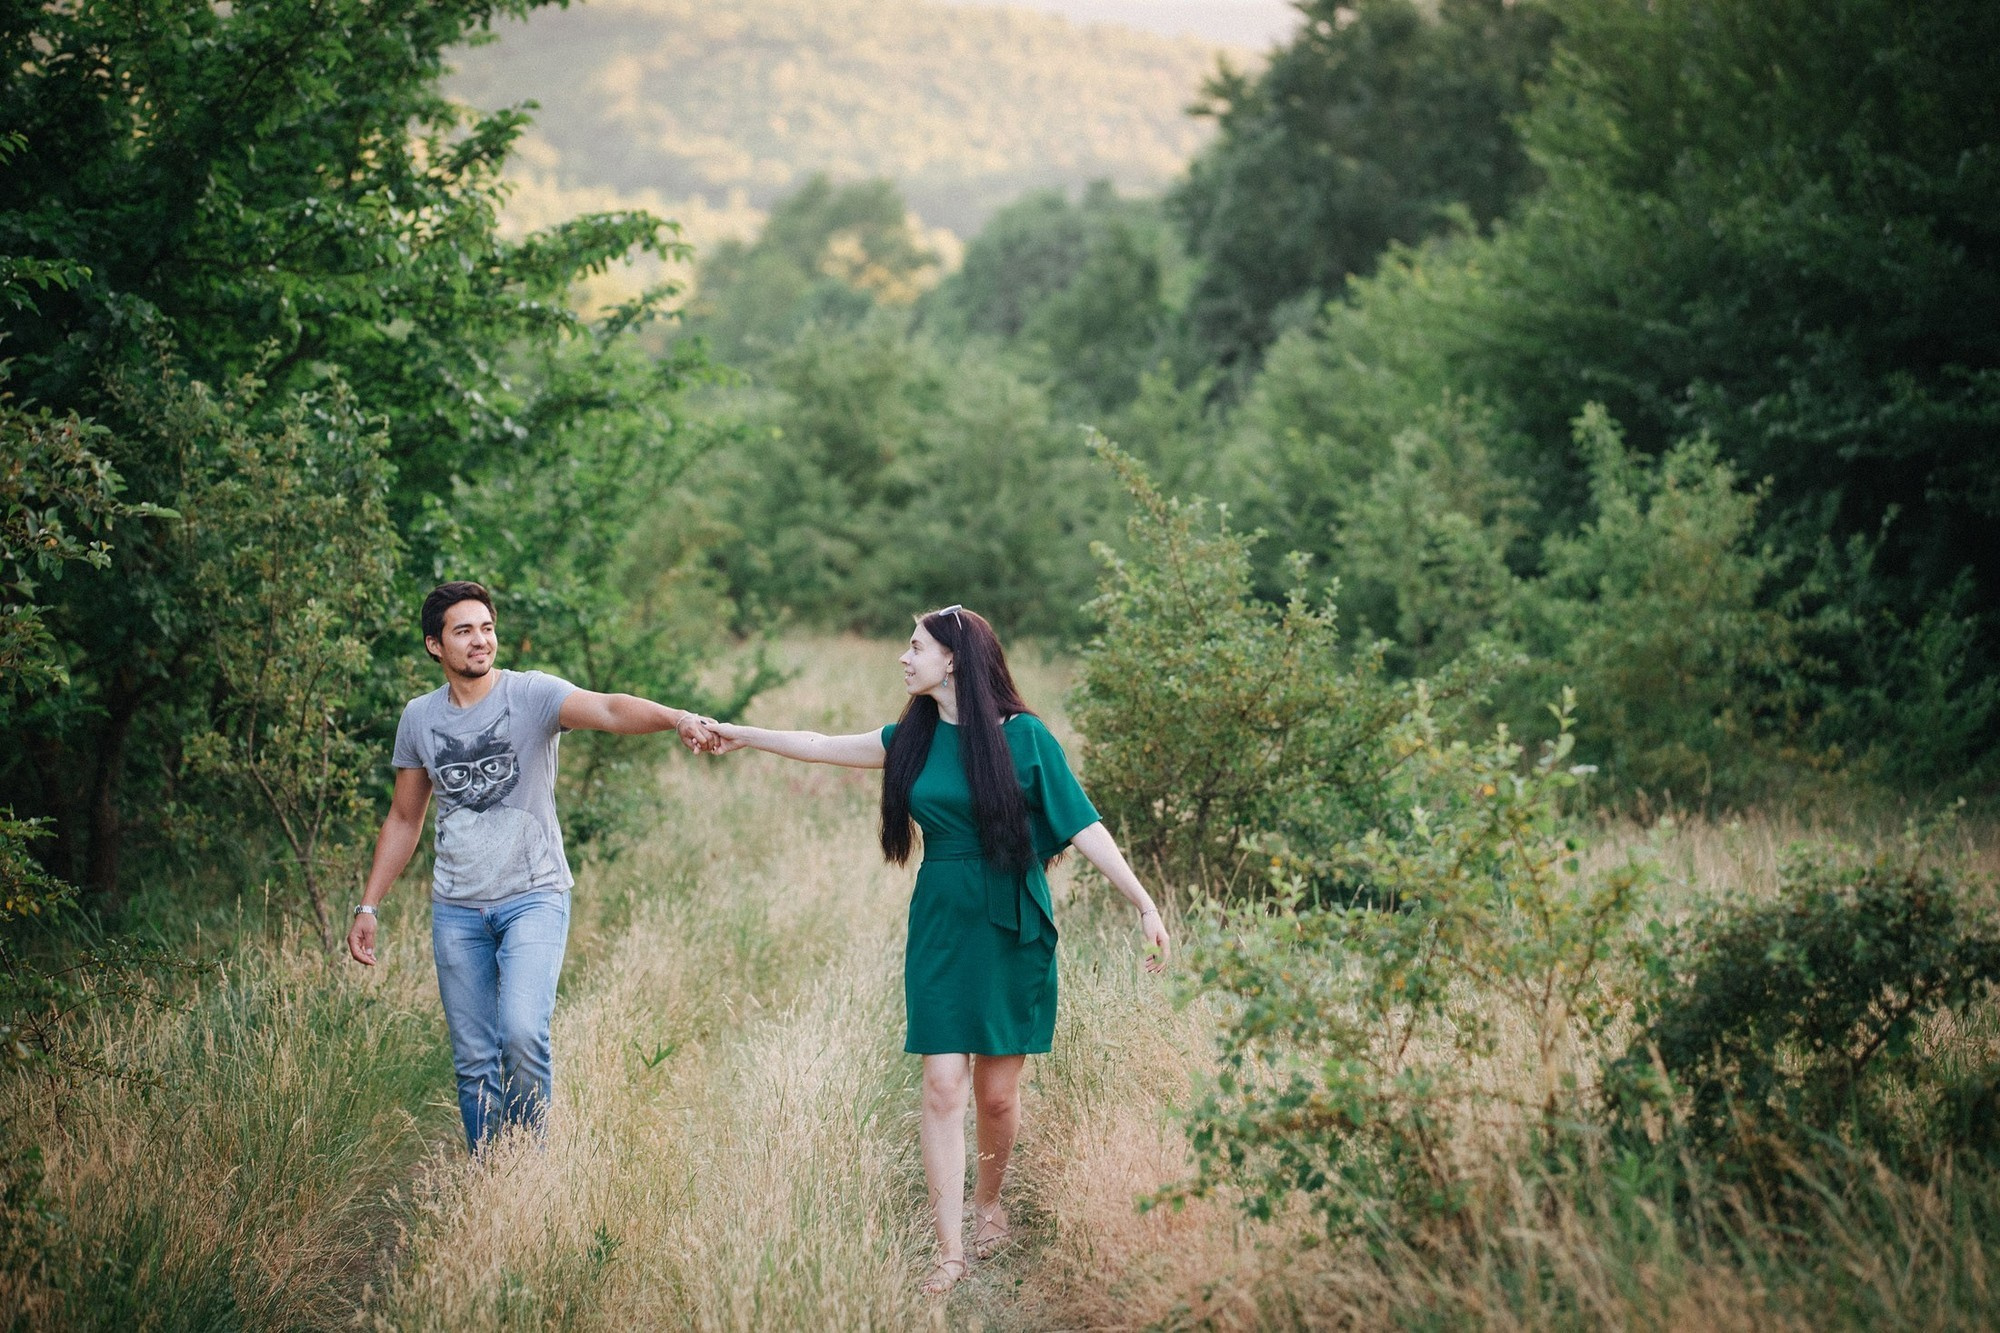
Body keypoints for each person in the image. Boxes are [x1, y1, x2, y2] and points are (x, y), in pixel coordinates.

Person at [701, 604, 1169, 1294]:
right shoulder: (911, 740)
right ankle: (949, 1248)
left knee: (998, 1096)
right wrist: (739, 733)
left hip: (1012, 922)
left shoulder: (1026, 736)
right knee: (943, 1083)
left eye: (914, 645)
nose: (903, 656)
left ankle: (989, 1203)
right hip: (943, 922)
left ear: (952, 658)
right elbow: (819, 742)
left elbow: (1082, 822)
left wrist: (1144, 901)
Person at [346, 580, 715, 1153]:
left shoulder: (533, 695)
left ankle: (529, 1170)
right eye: (463, 631)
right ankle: (489, 1174)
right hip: (457, 908)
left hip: (534, 896)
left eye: (486, 628)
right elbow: (403, 818)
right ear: (434, 646)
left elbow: (611, 708)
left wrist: (676, 717)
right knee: (473, 1060)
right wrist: (369, 904)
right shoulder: (419, 718)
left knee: (521, 1034)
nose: (479, 641)